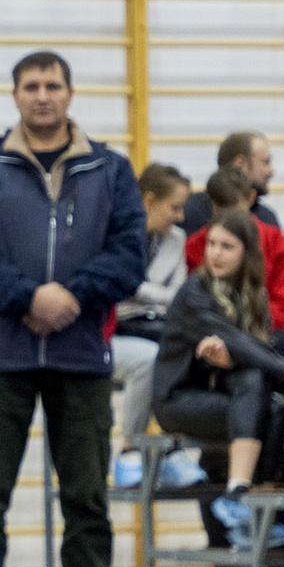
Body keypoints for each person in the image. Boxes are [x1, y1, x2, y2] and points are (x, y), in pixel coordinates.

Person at [0, 50, 146, 567]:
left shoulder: (111, 169)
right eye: (31, 86)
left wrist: (71, 297)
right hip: (1, 355)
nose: (42, 95)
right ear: (14, 96)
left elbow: (129, 253)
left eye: (52, 85)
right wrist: (26, 298)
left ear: (70, 93)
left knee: (86, 491)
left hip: (82, 351)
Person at [155, 214, 284, 567]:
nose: (215, 253)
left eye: (227, 247)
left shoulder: (254, 295)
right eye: (212, 244)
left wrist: (231, 359)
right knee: (258, 385)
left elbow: (243, 351)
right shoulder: (193, 293)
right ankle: (237, 498)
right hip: (179, 399)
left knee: (275, 406)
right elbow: (240, 344)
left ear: (247, 254)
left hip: (224, 395)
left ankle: (254, 512)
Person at [111, 162, 190, 488]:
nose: (180, 216)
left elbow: (180, 296)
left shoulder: (176, 239)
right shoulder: (112, 232)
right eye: (174, 207)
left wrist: (144, 295)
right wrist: (154, 296)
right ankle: (129, 447)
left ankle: (173, 449)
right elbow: (119, 287)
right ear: (147, 201)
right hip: (109, 335)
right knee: (149, 359)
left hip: (155, 328)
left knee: (185, 353)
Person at [183, 164, 284, 331]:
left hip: (262, 332)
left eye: (234, 207)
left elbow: (282, 311)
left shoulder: (278, 244)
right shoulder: (195, 245)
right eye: (220, 209)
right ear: (211, 205)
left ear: (251, 198)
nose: (229, 217)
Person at [181, 129, 280, 234]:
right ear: (240, 164)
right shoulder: (186, 214)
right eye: (266, 162)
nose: (271, 171)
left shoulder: (267, 219)